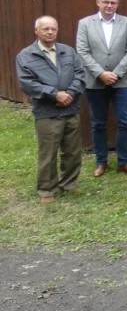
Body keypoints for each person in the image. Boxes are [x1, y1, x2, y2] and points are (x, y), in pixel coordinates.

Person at [16, 16, 85, 203]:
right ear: (36, 31)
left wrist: (70, 92)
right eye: (45, 29)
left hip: (70, 108)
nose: (49, 32)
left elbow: (80, 74)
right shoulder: (26, 56)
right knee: (48, 152)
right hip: (47, 112)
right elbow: (27, 83)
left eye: (53, 29)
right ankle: (47, 189)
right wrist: (54, 94)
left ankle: (69, 183)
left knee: (72, 151)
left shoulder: (68, 52)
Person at [76, 0, 127, 176]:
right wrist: (100, 73)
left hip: (122, 82)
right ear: (98, 2)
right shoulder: (85, 24)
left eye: (113, 2)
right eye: (105, 2)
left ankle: (124, 161)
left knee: (125, 121)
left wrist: (116, 73)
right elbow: (82, 51)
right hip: (95, 82)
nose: (109, 6)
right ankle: (101, 161)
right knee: (98, 122)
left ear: (117, 4)